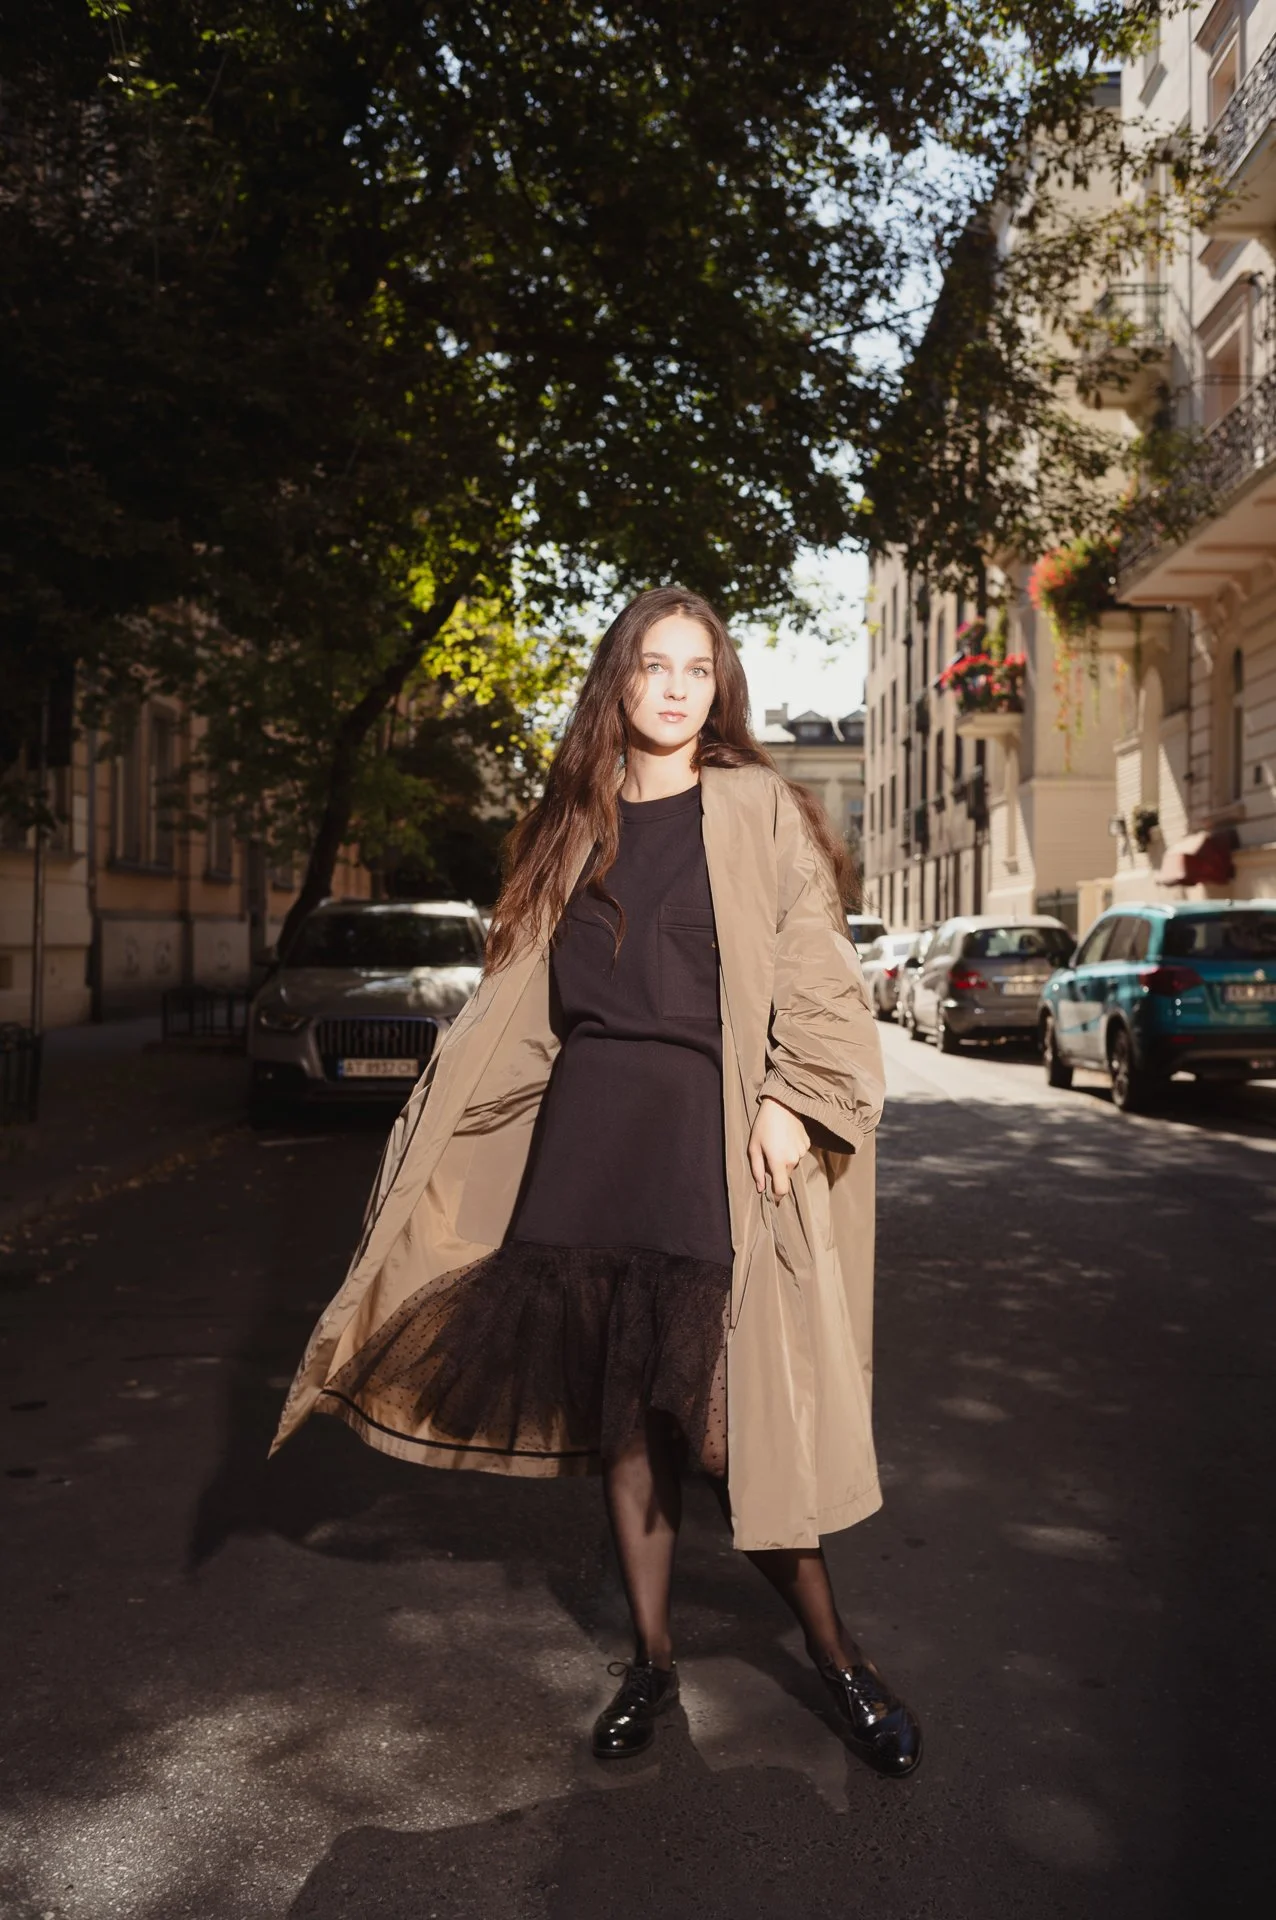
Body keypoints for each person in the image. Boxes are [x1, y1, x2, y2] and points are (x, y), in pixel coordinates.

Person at [272, 586, 921, 1778]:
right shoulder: (567, 822)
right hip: (588, 1143)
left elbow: (818, 969)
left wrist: (796, 1098)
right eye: (654, 666)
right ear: (617, 681)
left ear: (720, 686)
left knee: (735, 1436)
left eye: (698, 668)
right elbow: (517, 1002)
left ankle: (841, 1660)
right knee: (626, 1428)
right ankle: (653, 1661)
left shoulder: (757, 806)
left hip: (709, 1140)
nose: (677, 687)